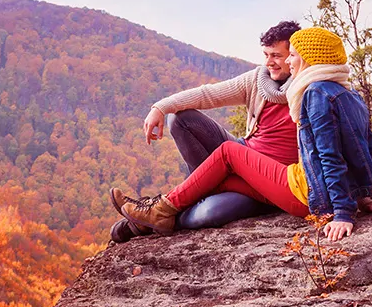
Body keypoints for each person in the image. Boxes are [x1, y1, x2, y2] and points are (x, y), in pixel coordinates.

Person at [112, 27, 372, 242]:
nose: (283, 62)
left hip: (298, 189)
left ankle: (155, 215)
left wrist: (343, 213)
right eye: (269, 55)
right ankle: (151, 217)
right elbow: (366, 150)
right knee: (210, 172)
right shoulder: (348, 94)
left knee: (219, 176)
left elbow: (331, 156)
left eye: (288, 56)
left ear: (306, 58)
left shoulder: (314, 93)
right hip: (277, 177)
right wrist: (369, 195)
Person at [110, 20, 302, 243]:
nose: (269, 62)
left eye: (276, 56)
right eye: (266, 55)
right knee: (181, 119)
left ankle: (144, 222)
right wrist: (160, 107)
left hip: (271, 180)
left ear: (294, 55)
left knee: (208, 213)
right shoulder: (259, 80)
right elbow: (208, 95)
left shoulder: (307, 88)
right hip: (241, 154)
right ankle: (188, 194)